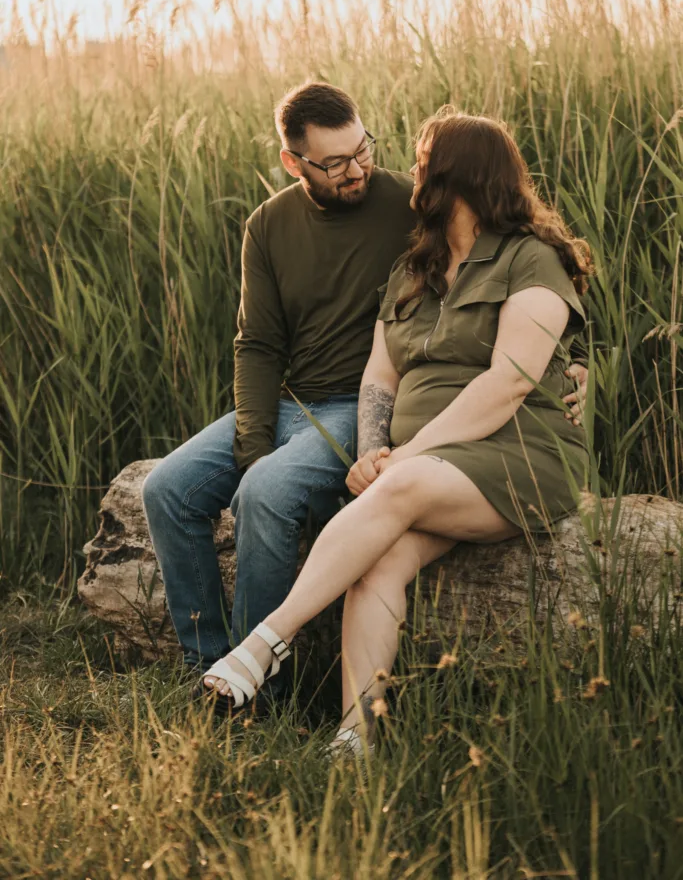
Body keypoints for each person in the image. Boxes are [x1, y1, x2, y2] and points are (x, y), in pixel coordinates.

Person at [141, 84, 587, 701]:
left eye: (364, 151)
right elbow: (268, 348)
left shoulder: (437, 213)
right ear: (294, 163)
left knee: (271, 493)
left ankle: (261, 673)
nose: (362, 170)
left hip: (411, 427)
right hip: (325, 413)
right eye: (336, 162)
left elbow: (530, 309)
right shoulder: (299, 232)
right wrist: (266, 440)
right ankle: (225, 675)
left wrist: (576, 362)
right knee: (166, 487)